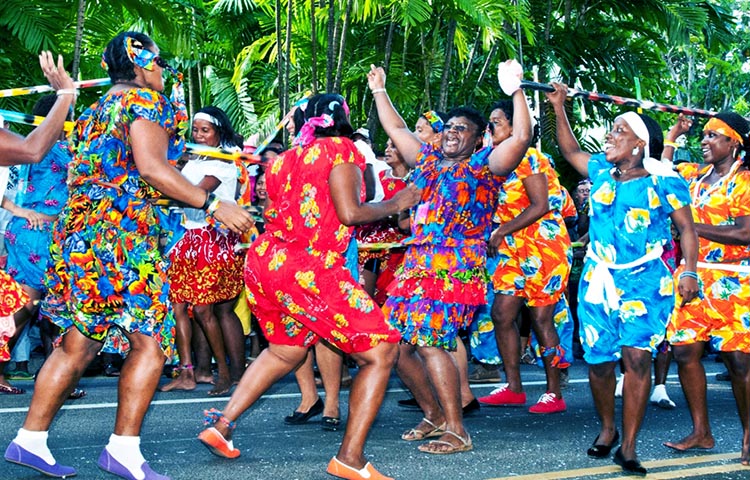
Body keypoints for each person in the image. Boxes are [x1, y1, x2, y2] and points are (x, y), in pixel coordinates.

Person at [4, 32, 254, 480]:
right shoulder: (144, 103)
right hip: (122, 240)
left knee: (79, 342)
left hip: (81, 238)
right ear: (142, 65)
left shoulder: (97, 109)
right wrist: (214, 204)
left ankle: (30, 440)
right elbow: (153, 169)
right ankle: (122, 450)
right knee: (152, 345)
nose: (163, 72)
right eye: (159, 64)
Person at [198, 93, 421, 480]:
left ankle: (222, 425)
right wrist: (397, 202)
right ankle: (350, 459)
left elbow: (275, 210)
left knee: (284, 351)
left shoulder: (282, 160)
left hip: (267, 262)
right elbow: (350, 213)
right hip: (311, 267)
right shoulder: (343, 149)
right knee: (383, 351)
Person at [368, 60, 531, 454]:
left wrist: (516, 90)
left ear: (478, 141)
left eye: (463, 129)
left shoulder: (483, 168)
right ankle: (434, 414)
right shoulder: (426, 162)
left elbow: (522, 137)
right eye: (449, 128)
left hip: (456, 267)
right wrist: (378, 90)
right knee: (392, 343)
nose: (452, 133)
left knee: (428, 342)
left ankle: (457, 428)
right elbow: (397, 129)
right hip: (416, 264)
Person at [546, 82, 699, 476]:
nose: (610, 136)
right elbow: (570, 151)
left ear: (638, 145)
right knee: (598, 363)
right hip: (598, 280)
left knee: (636, 358)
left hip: (646, 282)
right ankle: (608, 428)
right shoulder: (600, 172)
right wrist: (558, 106)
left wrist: (690, 271)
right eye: (611, 130)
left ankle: (628, 446)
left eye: (619, 131)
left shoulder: (664, 179)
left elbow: (687, 229)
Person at [663, 112, 750, 465]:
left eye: (714, 135)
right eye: (703, 135)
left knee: (739, 362)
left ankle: (749, 434)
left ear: (734, 143)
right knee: (684, 353)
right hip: (693, 277)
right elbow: (662, 171)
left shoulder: (744, 181)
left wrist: (691, 227)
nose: (704, 141)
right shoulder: (695, 176)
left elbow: (745, 233)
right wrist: (674, 133)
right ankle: (702, 432)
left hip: (733, 281)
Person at [476, 99, 572, 414]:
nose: (490, 129)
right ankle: (514, 387)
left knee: (541, 318)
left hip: (543, 244)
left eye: (496, 122)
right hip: (510, 246)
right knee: (502, 313)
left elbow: (540, 205)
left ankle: (553, 392)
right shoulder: (491, 161)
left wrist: (501, 230)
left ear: (516, 125)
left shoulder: (531, 157)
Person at [0, 52, 76, 397]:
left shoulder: (39, 146)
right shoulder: (50, 149)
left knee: (46, 305)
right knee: (29, 305)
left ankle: (58, 375)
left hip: (34, 230)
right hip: (36, 233)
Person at [160, 106, 248, 395]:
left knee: (205, 309)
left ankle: (225, 372)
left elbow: (196, 194)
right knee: (185, 307)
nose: (197, 134)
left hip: (215, 240)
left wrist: (169, 176)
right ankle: (193, 371)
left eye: (204, 130)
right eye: (195, 130)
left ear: (218, 133)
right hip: (189, 238)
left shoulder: (224, 163)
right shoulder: (192, 160)